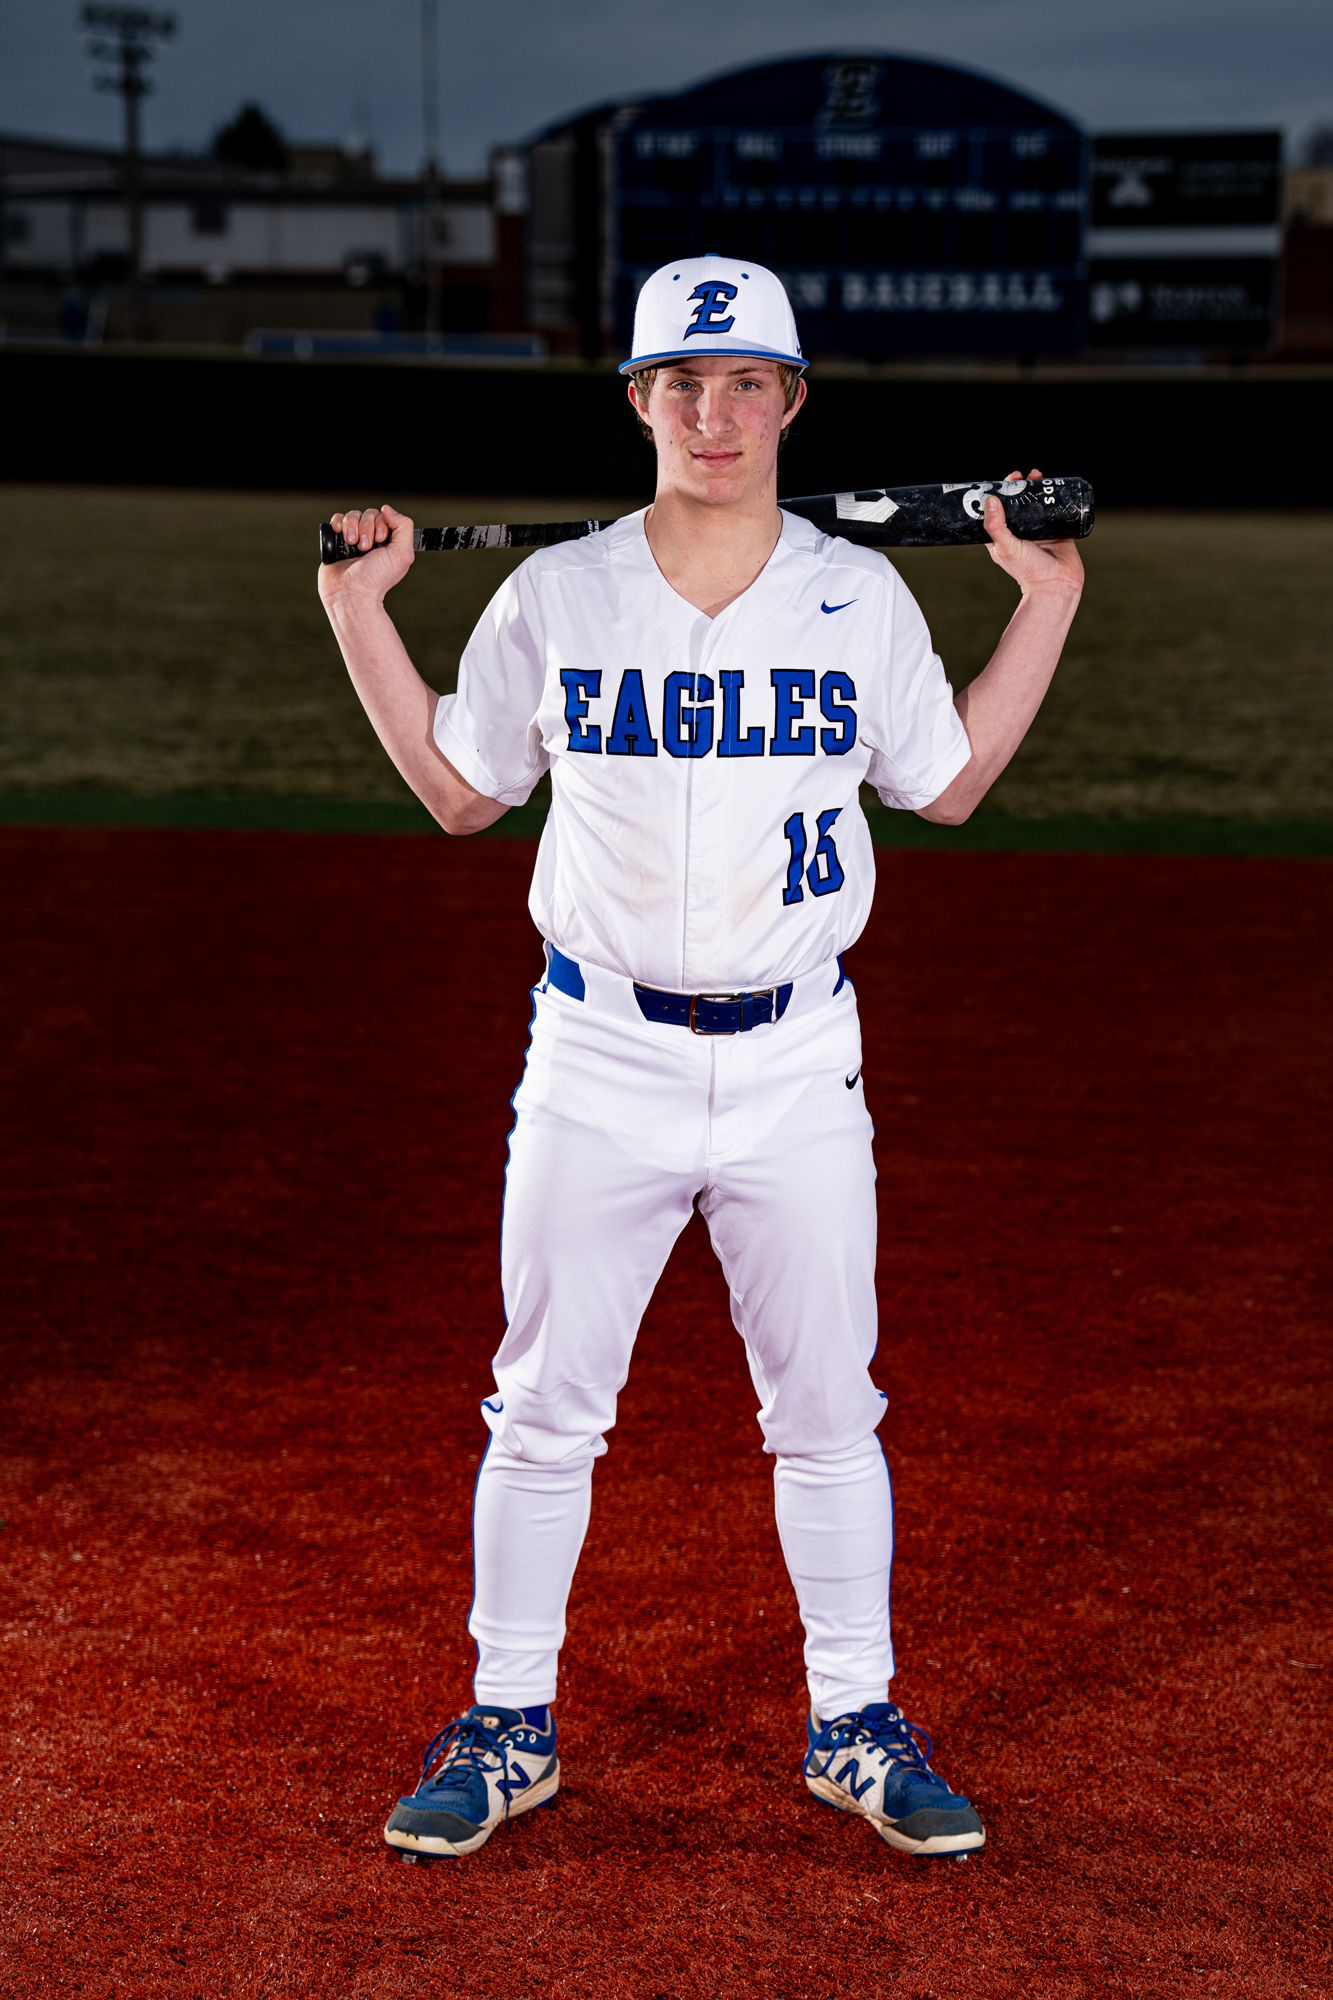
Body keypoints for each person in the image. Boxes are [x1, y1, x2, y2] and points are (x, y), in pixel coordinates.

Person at [318, 253, 1084, 1866]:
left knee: (827, 1411)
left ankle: (854, 1719)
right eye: (682, 381)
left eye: (745, 384)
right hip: (596, 1053)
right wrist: (354, 615)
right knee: (542, 1409)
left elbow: (945, 784)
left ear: (789, 402)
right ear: (638, 401)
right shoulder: (558, 594)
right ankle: (507, 1722)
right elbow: (461, 794)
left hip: (798, 1061)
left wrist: (1047, 600)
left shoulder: (857, 595)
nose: (713, 413)